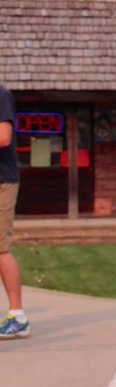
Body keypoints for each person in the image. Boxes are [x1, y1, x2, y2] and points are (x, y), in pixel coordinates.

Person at [0, 83, 28, 339]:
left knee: (1, 248)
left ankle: (17, 316)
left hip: (2, 182)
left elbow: (3, 136)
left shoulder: (1, 93)